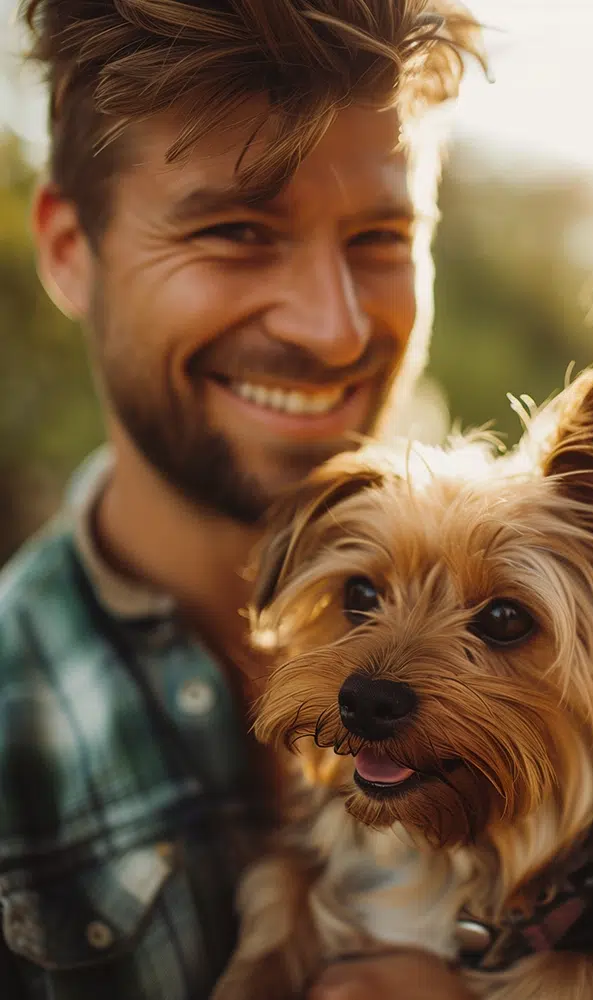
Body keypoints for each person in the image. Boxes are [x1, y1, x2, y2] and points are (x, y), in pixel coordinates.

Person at [0, 2, 485, 999]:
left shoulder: (578, 653)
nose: (332, 328)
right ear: (66, 249)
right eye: (235, 230)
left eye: (379, 237)